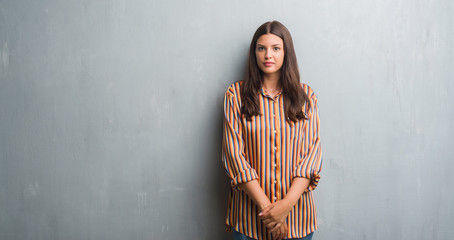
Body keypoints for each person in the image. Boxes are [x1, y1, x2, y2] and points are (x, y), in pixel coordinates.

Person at [221, 21, 323, 240]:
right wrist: (270, 212)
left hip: (297, 220)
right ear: (254, 53)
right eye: (261, 48)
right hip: (249, 219)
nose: (268, 55)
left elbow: (311, 158)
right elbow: (234, 157)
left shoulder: (306, 98)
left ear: (286, 53)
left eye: (276, 48)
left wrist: (285, 206)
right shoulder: (235, 95)